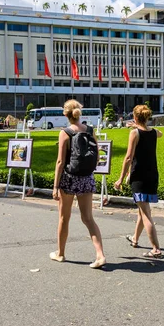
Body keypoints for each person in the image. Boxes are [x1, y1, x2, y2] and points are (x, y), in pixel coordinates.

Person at [51, 99, 106, 268]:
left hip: (68, 178)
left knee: (63, 218)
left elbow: (60, 161)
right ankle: (100, 255)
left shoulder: (65, 133)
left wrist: (55, 186)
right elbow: (97, 155)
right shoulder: (90, 130)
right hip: (86, 178)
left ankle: (60, 253)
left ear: (65, 114)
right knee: (88, 218)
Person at [114, 105, 163, 258]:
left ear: (135, 118)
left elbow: (128, 157)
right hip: (152, 175)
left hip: (139, 176)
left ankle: (155, 249)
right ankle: (135, 239)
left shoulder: (134, 133)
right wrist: (140, 124)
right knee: (142, 210)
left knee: (146, 213)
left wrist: (120, 178)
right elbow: (160, 133)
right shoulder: (154, 132)